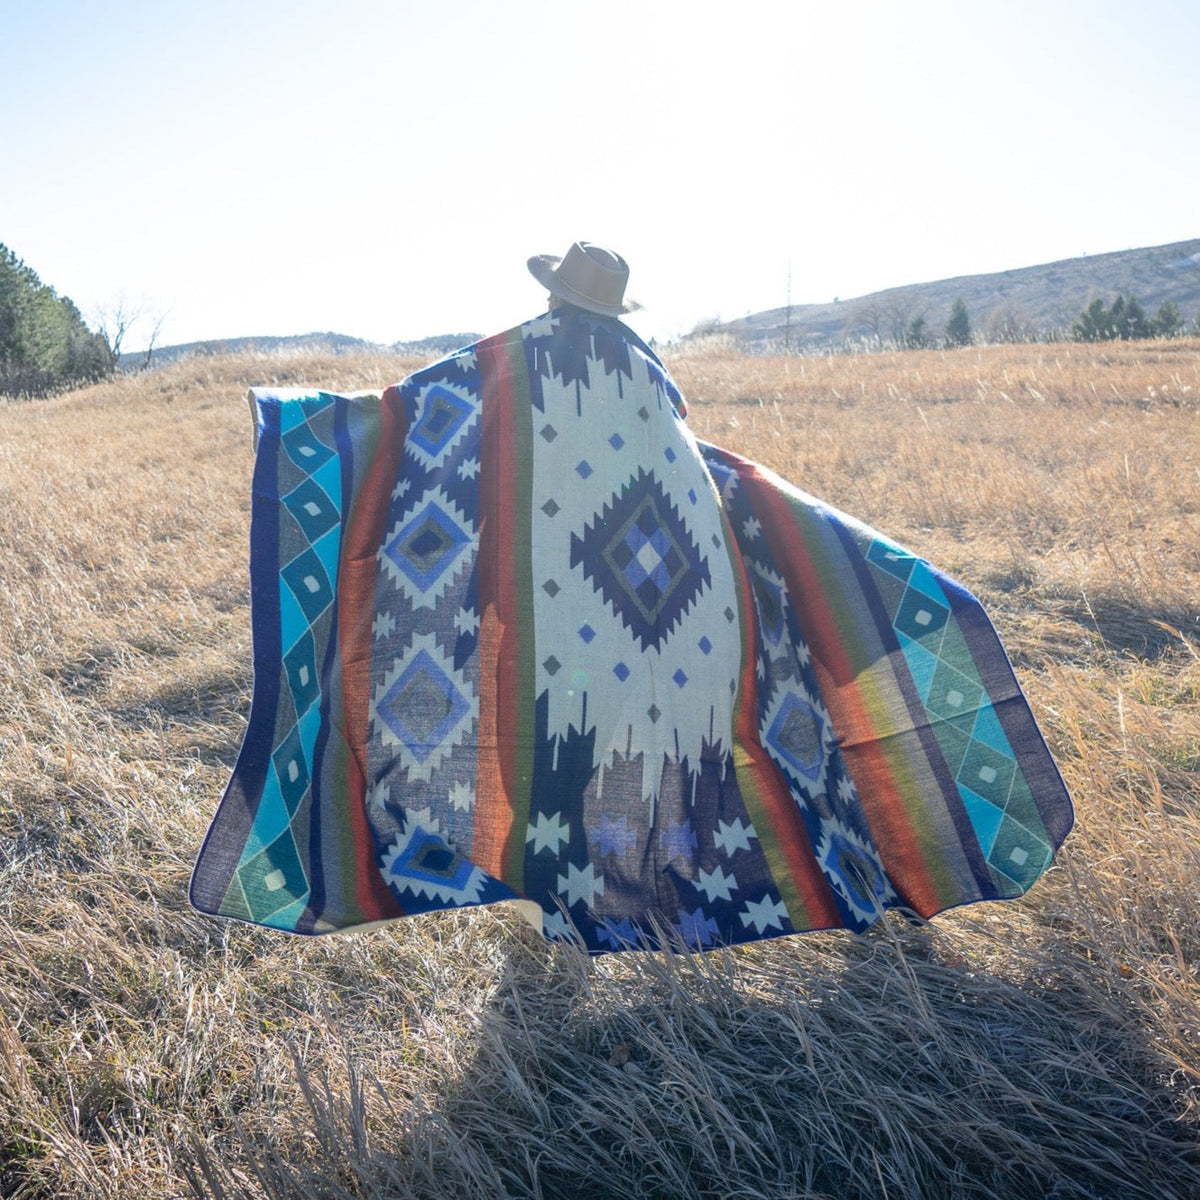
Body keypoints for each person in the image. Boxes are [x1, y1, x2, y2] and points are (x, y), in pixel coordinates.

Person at [191, 242, 1073, 953]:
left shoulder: (511, 359)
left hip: (559, 622)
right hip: (679, 618)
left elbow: (409, 415)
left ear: (553, 298)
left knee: (555, 759)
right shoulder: (647, 370)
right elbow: (690, 470)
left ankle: (568, 909)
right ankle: (638, 894)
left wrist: (307, 424)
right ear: (614, 308)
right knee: (660, 760)